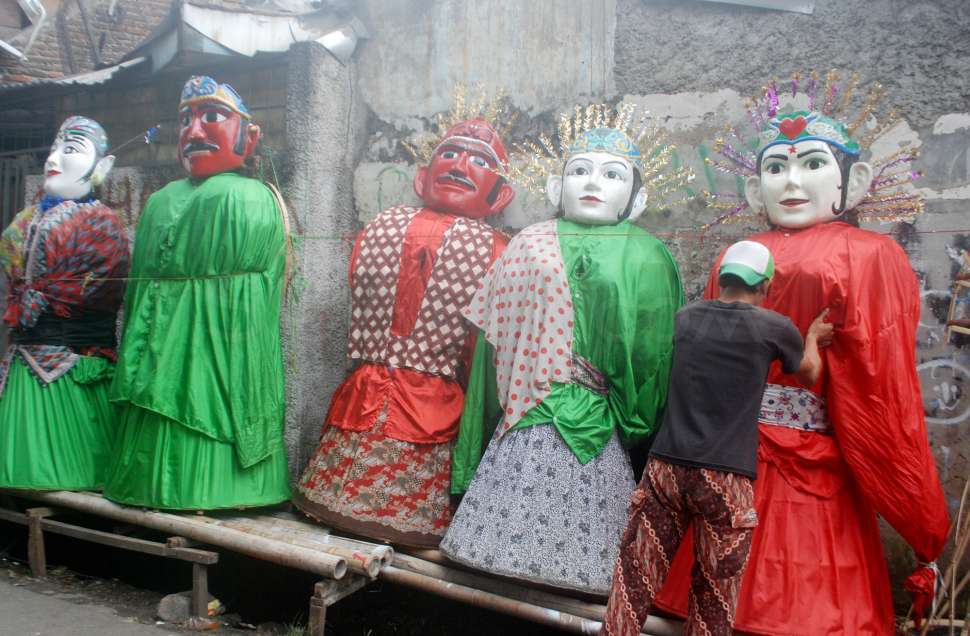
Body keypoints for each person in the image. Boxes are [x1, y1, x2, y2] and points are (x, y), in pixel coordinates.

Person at [654, 76, 950, 634]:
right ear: (752, 190)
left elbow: (879, 379)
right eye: (774, 168)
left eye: (812, 164)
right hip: (744, 443)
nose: (791, 181)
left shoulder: (869, 255)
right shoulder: (745, 253)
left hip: (784, 444)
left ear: (853, 181)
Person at [440, 106, 691, 594]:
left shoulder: (645, 253)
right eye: (578, 170)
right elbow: (493, 345)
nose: (591, 182)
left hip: (597, 420)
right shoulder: (528, 244)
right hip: (524, 408)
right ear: (557, 189)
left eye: (612, 174)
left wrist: (632, 420)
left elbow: (653, 353)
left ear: (636, 198)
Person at [293, 110, 515, 547]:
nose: (457, 165)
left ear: (500, 194)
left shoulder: (381, 226)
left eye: (479, 161)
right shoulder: (495, 249)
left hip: (383, 392)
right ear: (421, 177)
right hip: (428, 398)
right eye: (448, 153)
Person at [601, 240, 832, 636]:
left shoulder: (685, 318)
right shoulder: (774, 327)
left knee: (634, 578)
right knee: (714, 594)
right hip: (725, 478)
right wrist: (813, 337)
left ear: (722, 279)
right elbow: (809, 374)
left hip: (665, 469)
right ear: (765, 285)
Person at [104, 76, 290, 510]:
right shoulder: (160, 201)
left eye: (211, 116)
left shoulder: (251, 198)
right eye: (185, 119)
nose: (194, 131)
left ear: (251, 135)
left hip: (218, 350)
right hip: (161, 351)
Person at [0, 116, 128, 491]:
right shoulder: (26, 219)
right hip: (23, 365)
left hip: (71, 365)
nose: (53, 158)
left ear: (101, 167)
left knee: (76, 475)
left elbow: (95, 290)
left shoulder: (101, 225)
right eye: (53, 148)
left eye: (71, 149)